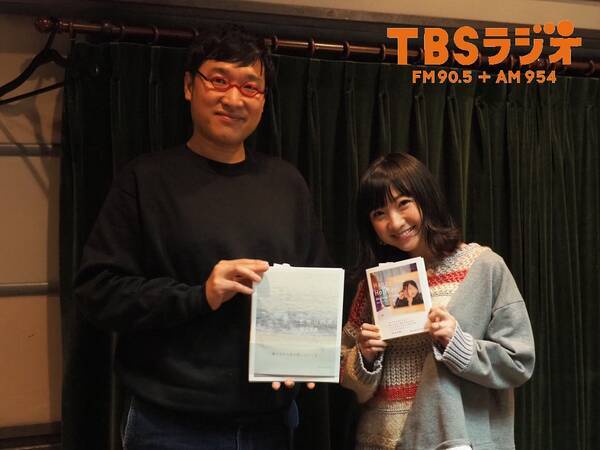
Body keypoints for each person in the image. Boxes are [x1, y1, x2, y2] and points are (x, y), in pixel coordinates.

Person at [74, 25, 329, 450]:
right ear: (189, 86)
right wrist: (200, 295)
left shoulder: (288, 184)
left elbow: (318, 286)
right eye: (219, 80)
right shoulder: (145, 180)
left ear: (263, 99)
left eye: (250, 86)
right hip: (170, 424)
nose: (234, 98)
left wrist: (306, 352)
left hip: (272, 422)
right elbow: (98, 292)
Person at [340, 153, 535, 450]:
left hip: (456, 441)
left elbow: (518, 363)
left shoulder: (483, 267)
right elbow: (341, 364)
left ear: (426, 199)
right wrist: (364, 358)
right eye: (379, 213)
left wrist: (458, 344)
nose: (395, 221)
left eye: (403, 203)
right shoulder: (373, 285)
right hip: (381, 442)